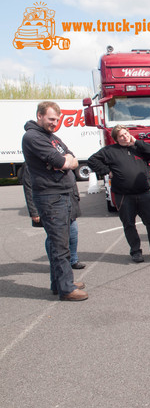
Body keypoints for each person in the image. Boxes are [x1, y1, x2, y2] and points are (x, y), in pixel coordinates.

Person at [21, 101, 87, 301]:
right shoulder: (32, 137)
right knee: (60, 244)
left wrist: (68, 161)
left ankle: (59, 282)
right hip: (51, 197)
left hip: (62, 195)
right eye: (51, 119)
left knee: (59, 242)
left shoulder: (52, 138)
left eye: (57, 120)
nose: (55, 123)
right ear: (39, 115)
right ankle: (66, 289)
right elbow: (60, 161)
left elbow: (72, 158)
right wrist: (65, 161)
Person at [88, 125, 150, 263]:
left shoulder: (138, 148)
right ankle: (136, 252)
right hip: (124, 195)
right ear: (116, 139)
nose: (124, 137)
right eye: (121, 136)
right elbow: (92, 160)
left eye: (125, 134)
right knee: (129, 224)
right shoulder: (110, 151)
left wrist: (136, 142)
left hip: (144, 192)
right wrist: (107, 171)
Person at [19, 164, 85, 289]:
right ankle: (60, 281)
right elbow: (28, 188)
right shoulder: (33, 163)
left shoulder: (61, 158)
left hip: (68, 203)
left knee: (72, 233)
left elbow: (70, 180)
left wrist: (75, 199)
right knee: (56, 242)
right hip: (52, 206)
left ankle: (71, 264)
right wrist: (34, 211)